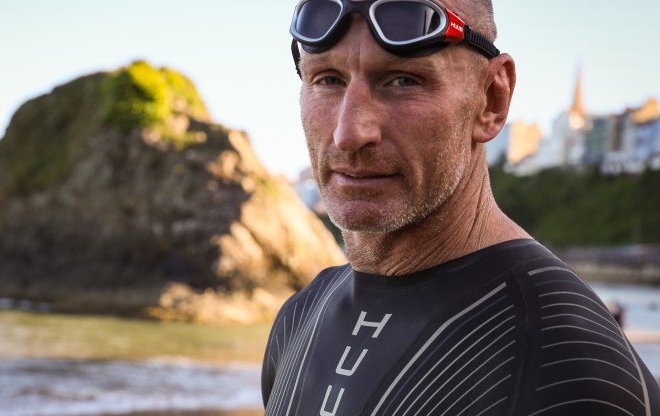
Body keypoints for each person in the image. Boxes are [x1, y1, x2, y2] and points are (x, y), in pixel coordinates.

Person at [261, 0, 660, 415]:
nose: (349, 133)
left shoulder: (568, 372)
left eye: (402, 81)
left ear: (492, 99)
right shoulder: (299, 318)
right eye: (328, 79)